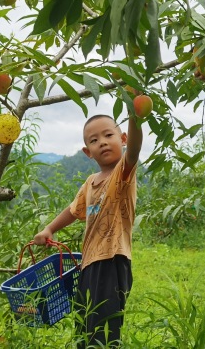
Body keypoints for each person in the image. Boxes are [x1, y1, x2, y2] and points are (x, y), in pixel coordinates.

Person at [33, 112, 143, 348]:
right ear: (87, 152)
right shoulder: (90, 182)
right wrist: (49, 229)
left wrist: (135, 112)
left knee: (106, 328)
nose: (102, 141)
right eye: (93, 140)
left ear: (123, 138)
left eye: (108, 135)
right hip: (90, 264)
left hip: (113, 260)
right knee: (85, 325)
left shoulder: (124, 173)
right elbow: (74, 210)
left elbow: (134, 150)